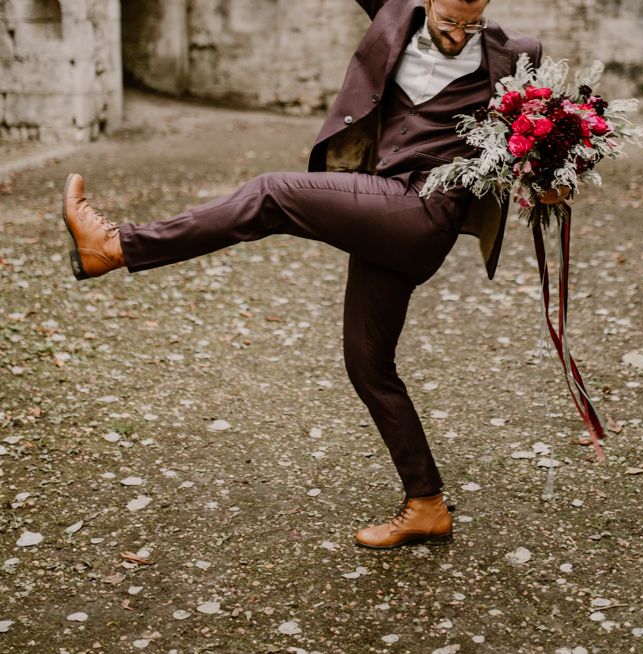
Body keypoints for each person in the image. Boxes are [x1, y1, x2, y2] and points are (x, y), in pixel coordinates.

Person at [63, 0, 563, 549]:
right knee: (368, 364)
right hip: (380, 205)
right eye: (449, 23)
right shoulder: (393, 13)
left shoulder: (518, 55)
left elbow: (542, 145)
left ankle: (114, 247)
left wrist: (554, 177)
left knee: (271, 194)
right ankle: (427, 504)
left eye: (472, 24)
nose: (459, 36)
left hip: (425, 214)